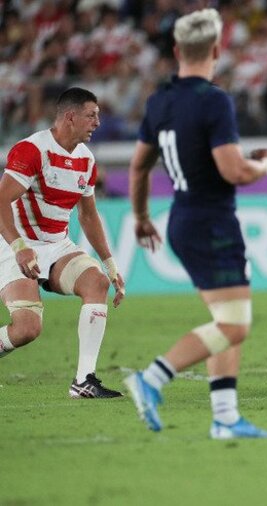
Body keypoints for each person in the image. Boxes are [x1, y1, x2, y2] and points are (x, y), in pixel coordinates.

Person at [123, 8, 267, 440]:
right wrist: (263, 166)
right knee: (234, 325)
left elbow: (138, 169)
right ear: (217, 49)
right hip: (211, 221)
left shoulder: (160, 101)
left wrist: (140, 217)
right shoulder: (213, 100)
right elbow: (233, 172)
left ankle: (225, 417)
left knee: (227, 320)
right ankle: (152, 378)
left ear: (175, 51)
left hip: (181, 217)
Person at [0, 87, 126, 398]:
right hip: (14, 242)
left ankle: (84, 380)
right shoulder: (32, 151)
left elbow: (89, 216)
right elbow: (1, 201)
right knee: (27, 329)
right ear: (70, 117)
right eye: (91, 115)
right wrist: (19, 247)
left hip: (57, 245)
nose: (97, 122)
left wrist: (110, 264)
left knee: (96, 282)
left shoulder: (86, 159)